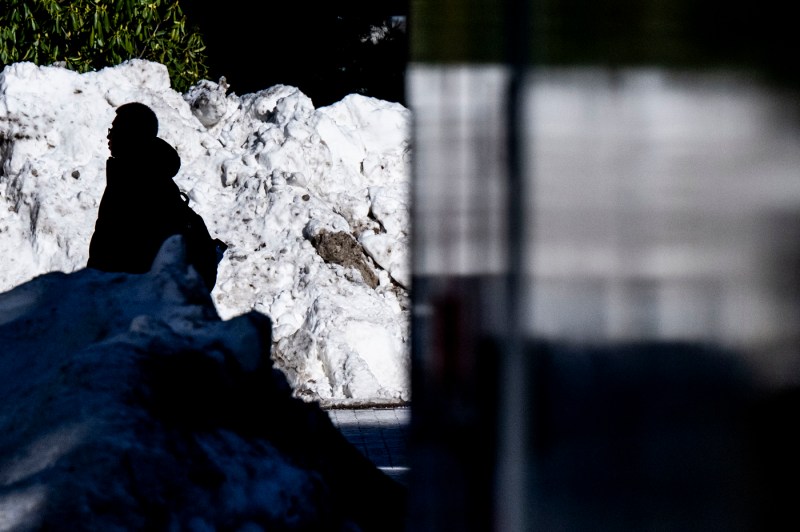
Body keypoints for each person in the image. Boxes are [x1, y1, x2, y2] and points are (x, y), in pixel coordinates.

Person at [88, 102, 223, 291]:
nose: (109, 136)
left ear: (131, 135)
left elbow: (122, 249)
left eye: (115, 129)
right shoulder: (134, 174)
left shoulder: (141, 183)